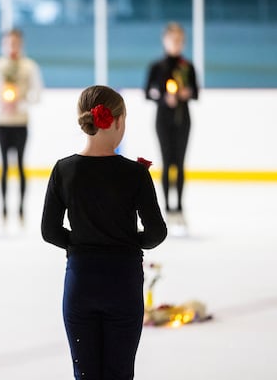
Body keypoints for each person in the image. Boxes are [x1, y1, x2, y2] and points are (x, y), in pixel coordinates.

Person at [41, 85, 167, 380]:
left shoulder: (64, 170)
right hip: (122, 283)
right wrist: (127, 243)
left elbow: (49, 231)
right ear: (119, 121)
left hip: (81, 281)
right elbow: (156, 232)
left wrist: (81, 244)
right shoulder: (135, 174)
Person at [0, 29, 43, 223]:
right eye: (9, 42)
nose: (12, 46)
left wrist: (20, 103)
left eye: (16, 42)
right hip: (3, 122)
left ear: (21, 43)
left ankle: (21, 208)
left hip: (21, 122)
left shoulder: (29, 67)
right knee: (5, 166)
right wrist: (2, 103)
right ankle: (4, 209)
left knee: (21, 165)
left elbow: (37, 94)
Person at [144, 22, 199, 228]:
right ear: (165, 40)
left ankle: (180, 207)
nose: (176, 43)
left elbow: (196, 92)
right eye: (172, 39)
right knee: (167, 162)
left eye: (179, 39)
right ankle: (167, 207)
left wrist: (187, 94)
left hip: (183, 119)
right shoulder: (157, 67)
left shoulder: (188, 66)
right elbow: (148, 92)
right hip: (163, 120)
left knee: (180, 163)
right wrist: (163, 99)